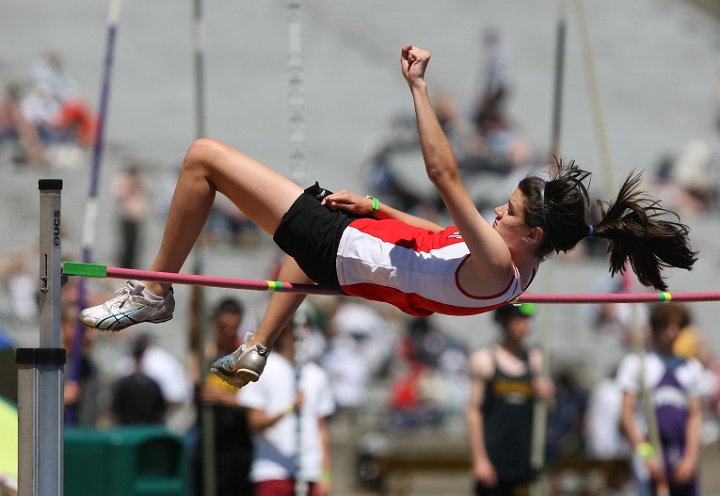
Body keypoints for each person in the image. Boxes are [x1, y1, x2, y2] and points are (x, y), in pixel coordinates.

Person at [78, 45, 697, 391]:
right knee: (293, 261)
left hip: (347, 251)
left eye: (506, 210)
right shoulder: (509, 270)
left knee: (202, 159)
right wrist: (376, 206)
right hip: (361, 258)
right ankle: (258, 346)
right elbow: (435, 240)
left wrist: (419, 89)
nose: (495, 211)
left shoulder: (496, 259)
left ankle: (155, 290)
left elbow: (444, 177)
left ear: (532, 234)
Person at [238, 319, 335, 496]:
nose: (301, 341)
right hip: (272, 471)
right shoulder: (264, 369)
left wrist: (325, 475)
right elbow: (255, 424)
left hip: (310, 472)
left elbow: (321, 429)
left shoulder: (317, 376)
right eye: (296, 335)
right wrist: (288, 409)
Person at [466, 303, 554, 495]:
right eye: (519, 319)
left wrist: (548, 396)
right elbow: (474, 412)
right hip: (494, 464)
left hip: (527, 463)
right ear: (504, 321)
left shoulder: (536, 360)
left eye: (528, 319)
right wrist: (479, 459)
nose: (526, 325)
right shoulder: (484, 360)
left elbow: (548, 415)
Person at [617, 303, 705, 496]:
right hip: (650, 453)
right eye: (665, 324)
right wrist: (646, 455)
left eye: (677, 326)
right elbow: (626, 415)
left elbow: (695, 416)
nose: (671, 332)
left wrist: (690, 458)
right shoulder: (637, 363)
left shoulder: (691, 368)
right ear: (655, 326)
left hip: (681, 455)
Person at [191, 297, 254, 496]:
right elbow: (193, 329)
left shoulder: (245, 358)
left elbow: (256, 402)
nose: (227, 331)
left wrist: (222, 397)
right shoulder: (204, 354)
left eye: (232, 327)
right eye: (222, 326)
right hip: (208, 443)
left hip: (238, 444)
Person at [110, 335, 167, 425]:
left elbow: (114, 409)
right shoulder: (153, 384)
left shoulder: (124, 384)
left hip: (133, 430)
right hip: (139, 431)